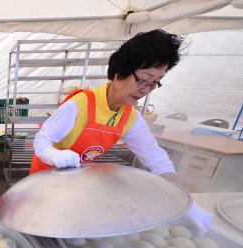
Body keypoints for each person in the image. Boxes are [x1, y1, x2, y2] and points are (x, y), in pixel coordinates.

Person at [30, 29, 213, 235]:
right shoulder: (80, 104)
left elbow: (157, 160)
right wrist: (53, 154)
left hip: (77, 188)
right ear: (120, 73)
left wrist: (183, 199)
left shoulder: (130, 117)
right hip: (45, 184)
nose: (145, 90)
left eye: (155, 83)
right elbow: (42, 139)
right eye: (144, 79)